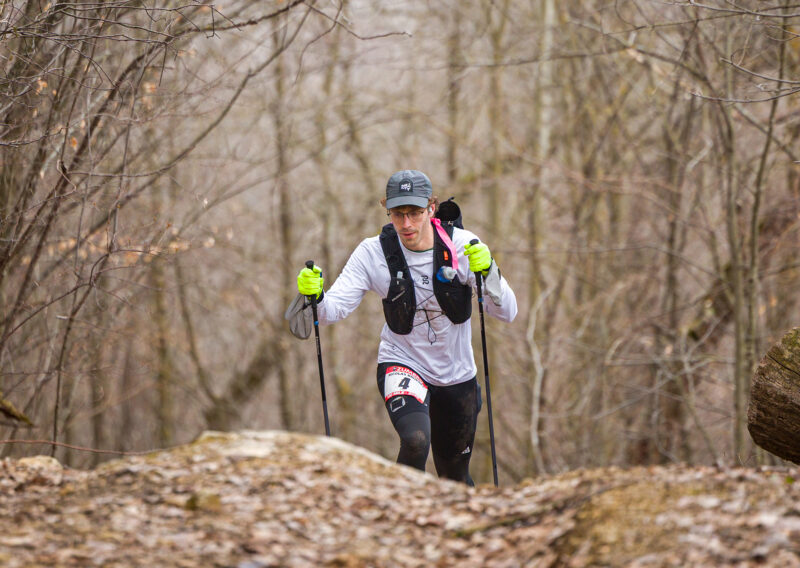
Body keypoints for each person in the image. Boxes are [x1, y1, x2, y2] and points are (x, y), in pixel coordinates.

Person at [293, 170, 517, 485]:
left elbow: (507, 312)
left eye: (414, 213)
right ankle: (400, 507)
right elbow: (331, 311)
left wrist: (490, 272)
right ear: (388, 212)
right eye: (398, 214)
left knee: (454, 476)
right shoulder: (372, 253)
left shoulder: (463, 247)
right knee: (415, 440)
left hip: (457, 374)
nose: (406, 223)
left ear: (431, 209)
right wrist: (315, 296)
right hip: (402, 361)